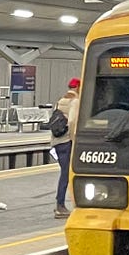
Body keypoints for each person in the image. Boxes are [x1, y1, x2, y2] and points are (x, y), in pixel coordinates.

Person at [52, 77, 80, 218]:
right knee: (66, 174)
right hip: (66, 141)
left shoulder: (60, 101)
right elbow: (73, 121)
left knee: (65, 172)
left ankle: (60, 205)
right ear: (78, 88)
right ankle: (60, 206)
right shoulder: (74, 101)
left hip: (56, 141)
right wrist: (74, 140)